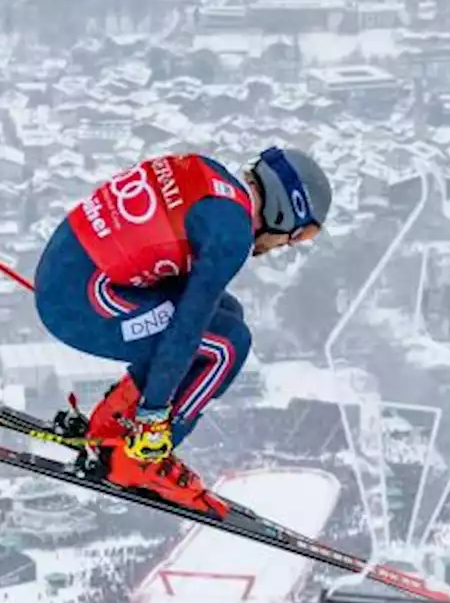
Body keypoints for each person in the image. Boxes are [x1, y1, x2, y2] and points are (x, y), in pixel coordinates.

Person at [34, 148, 332, 516]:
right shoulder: (232, 234)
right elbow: (184, 333)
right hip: (82, 304)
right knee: (226, 346)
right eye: (296, 237)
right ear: (285, 211)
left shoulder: (213, 176)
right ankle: (140, 460)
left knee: (227, 313)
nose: (284, 246)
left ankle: (111, 422)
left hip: (68, 278)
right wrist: (154, 418)